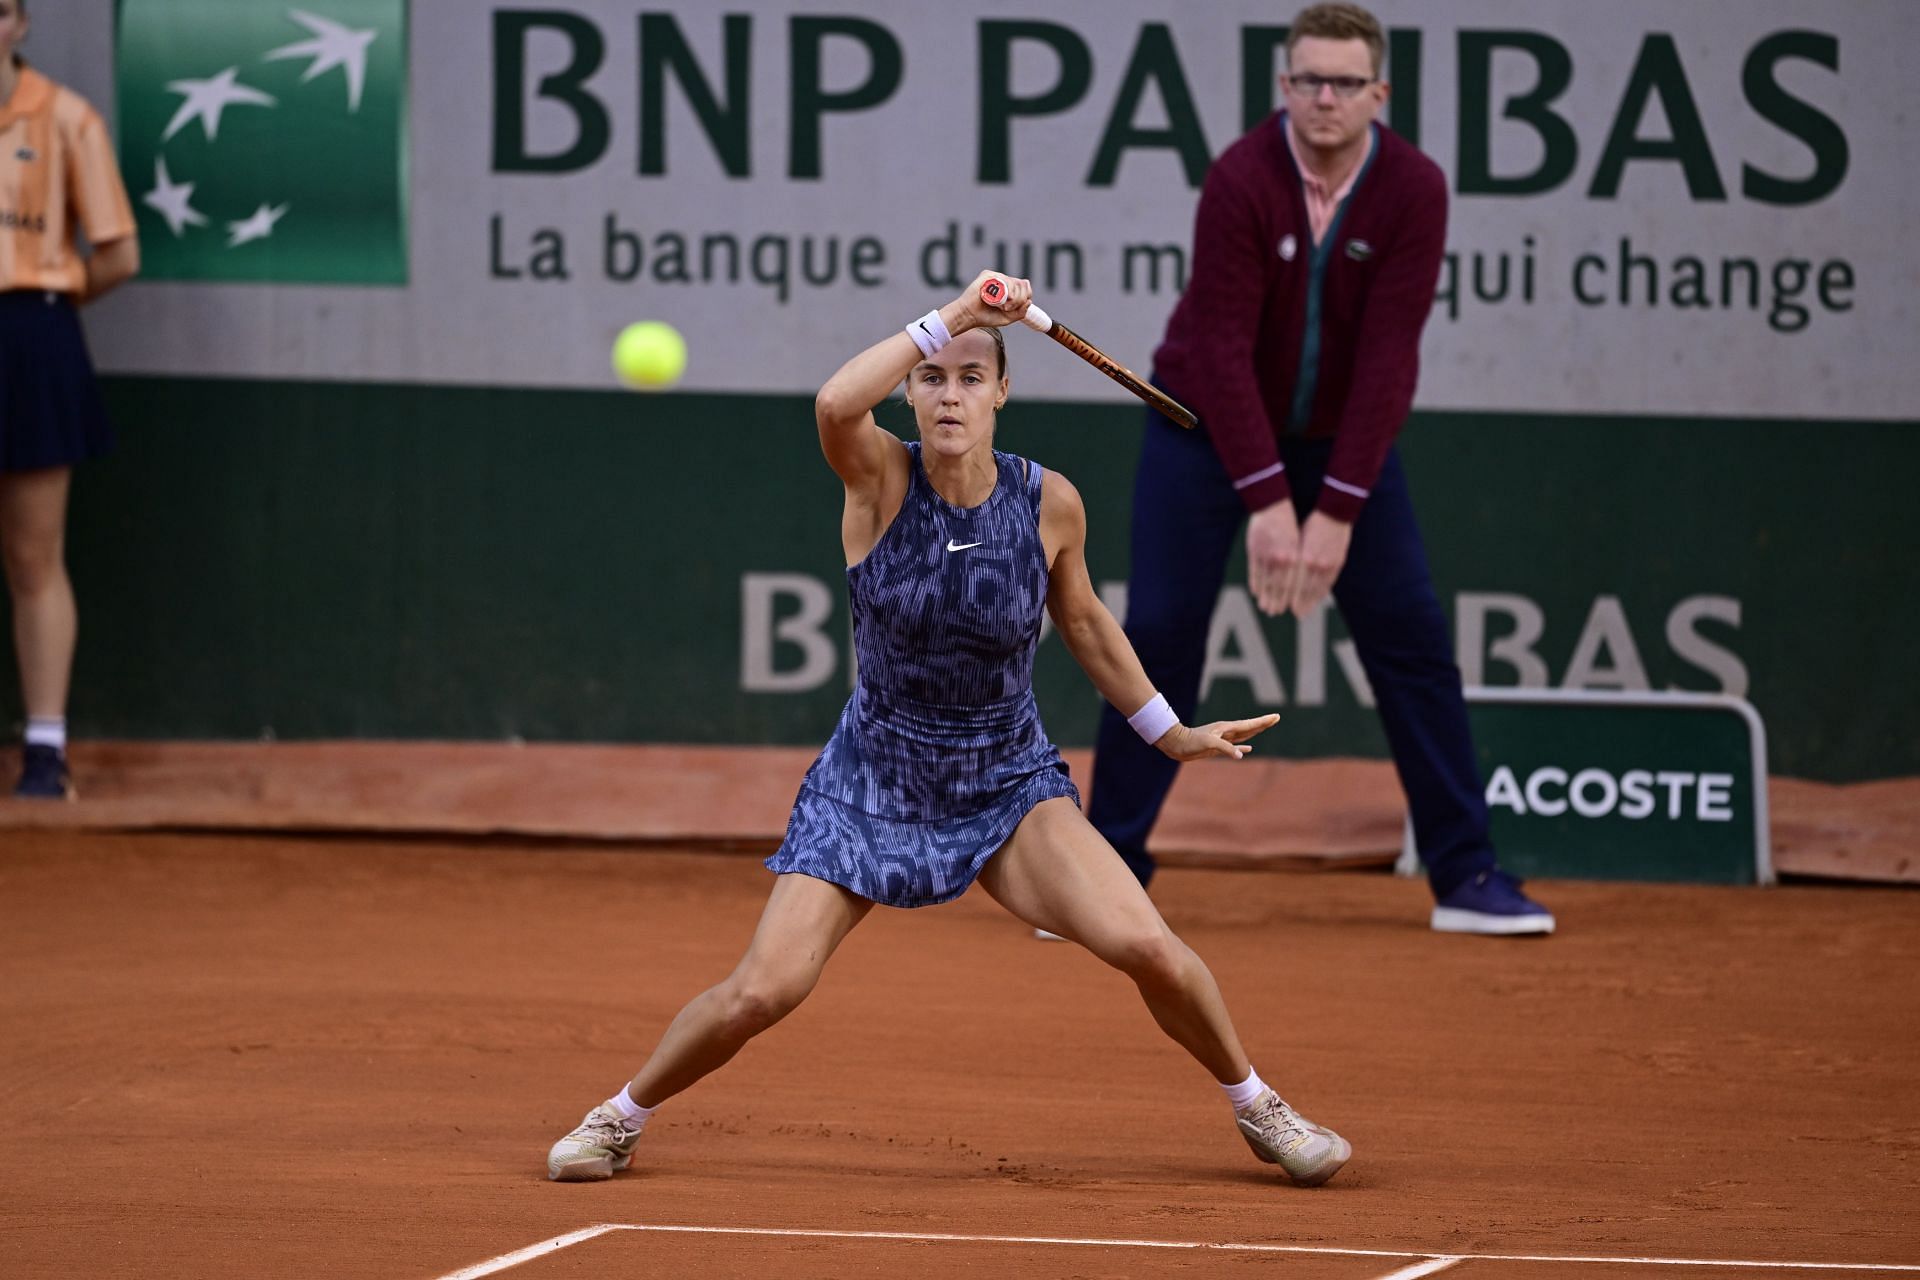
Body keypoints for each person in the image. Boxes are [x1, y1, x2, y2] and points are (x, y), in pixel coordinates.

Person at [546, 270, 1351, 1187]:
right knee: (762, 991)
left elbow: (1083, 621)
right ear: (912, 389)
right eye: (934, 376)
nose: (951, 393)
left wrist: (1167, 732)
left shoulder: (1049, 501)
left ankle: (1260, 1108)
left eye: (973, 376)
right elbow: (833, 401)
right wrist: (955, 319)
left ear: (1003, 392)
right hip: (872, 780)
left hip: (1007, 780)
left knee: (1150, 949)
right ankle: (619, 1117)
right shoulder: (877, 476)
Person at [1084, 2, 1554, 936]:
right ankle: (1106, 873)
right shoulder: (1240, 176)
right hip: (1200, 431)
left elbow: (1390, 356)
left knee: (1412, 638)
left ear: (1379, 94)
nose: (1325, 98)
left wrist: (1333, 510)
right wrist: (1265, 497)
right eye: (1308, 81)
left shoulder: (1413, 187)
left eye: (1345, 83)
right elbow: (1219, 345)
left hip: (1342, 445)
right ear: (1284, 87)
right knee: (1163, 632)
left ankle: (1467, 875)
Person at [0, 0, 139, 799]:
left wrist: (43, 310)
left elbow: (119, 253)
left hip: (35, 337)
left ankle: (45, 751)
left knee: (31, 555)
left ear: (21, 24)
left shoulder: (67, 119)